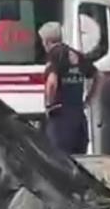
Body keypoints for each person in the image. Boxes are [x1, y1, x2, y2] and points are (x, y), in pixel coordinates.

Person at [38, 21, 102, 155]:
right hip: (78, 118)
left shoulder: (54, 55)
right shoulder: (77, 55)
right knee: (79, 161)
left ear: (47, 41)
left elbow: (52, 82)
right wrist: (89, 99)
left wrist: (49, 104)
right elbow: (98, 77)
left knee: (60, 161)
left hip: (61, 119)